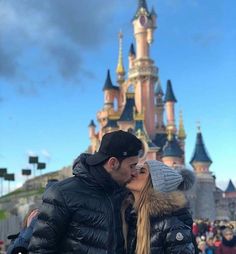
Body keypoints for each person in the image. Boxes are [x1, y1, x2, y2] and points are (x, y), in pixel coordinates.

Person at [29, 130, 143, 254]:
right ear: (113, 163)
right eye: (132, 166)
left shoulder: (124, 195)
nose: (134, 172)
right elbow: (40, 249)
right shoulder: (61, 194)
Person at [124, 160, 196, 254]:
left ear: (155, 184)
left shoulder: (172, 226)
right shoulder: (131, 217)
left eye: (142, 171)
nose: (133, 173)